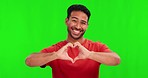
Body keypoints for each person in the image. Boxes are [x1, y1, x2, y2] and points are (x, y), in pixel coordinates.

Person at [25, 4, 120, 78]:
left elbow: (116, 60)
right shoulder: (57, 49)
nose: (78, 26)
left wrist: (90, 54)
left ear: (87, 26)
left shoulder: (97, 47)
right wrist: (55, 55)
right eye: (74, 20)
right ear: (67, 21)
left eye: (83, 23)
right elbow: (29, 61)